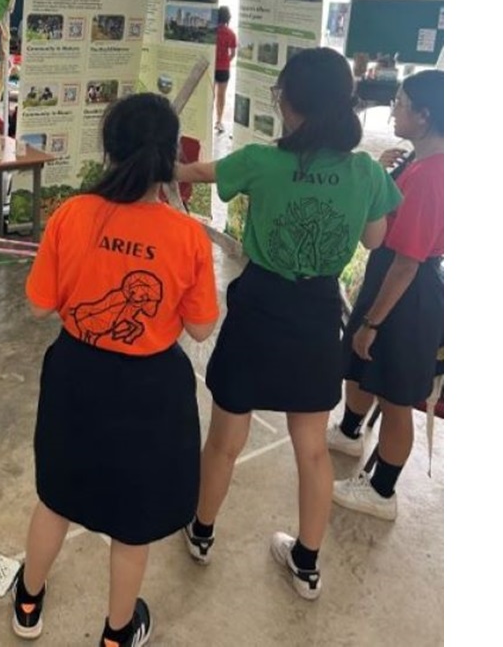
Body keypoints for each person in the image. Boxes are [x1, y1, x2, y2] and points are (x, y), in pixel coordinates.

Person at [176, 48, 401, 601]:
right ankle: (306, 564)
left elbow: (196, 172)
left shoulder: (263, 161)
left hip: (260, 307)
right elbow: (375, 240)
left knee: (225, 439)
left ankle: (201, 533)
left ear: (290, 103)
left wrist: (159, 165)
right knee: (313, 447)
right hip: (317, 312)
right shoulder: (365, 171)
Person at [14, 93, 219, 647]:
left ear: (107, 150)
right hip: (150, 387)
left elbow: (38, 305)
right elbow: (202, 329)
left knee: (57, 496)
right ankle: (116, 634)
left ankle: (28, 604)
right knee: (133, 522)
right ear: (171, 157)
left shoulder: (71, 214)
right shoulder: (187, 236)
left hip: (76, 375)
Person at [329, 70, 444, 520]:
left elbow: (407, 262)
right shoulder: (417, 160)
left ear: (425, 115)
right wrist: (379, 172)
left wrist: (373, 322)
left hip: (406, 292)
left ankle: (382, 491)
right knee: (360, 367)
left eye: (400, 103)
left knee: (395, 396)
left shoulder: (432, 176)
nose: (393, 110)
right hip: (388, 277)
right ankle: (349, 431)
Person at [214, 6, 237, 133]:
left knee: (210, 95)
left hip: (212, 67)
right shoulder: (231, 34)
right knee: (221, 95)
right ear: (228, 18)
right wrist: (225, 60)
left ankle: (207, 119)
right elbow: (232, 54)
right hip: (224, 68)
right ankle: (219, 121)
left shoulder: (212, 32)